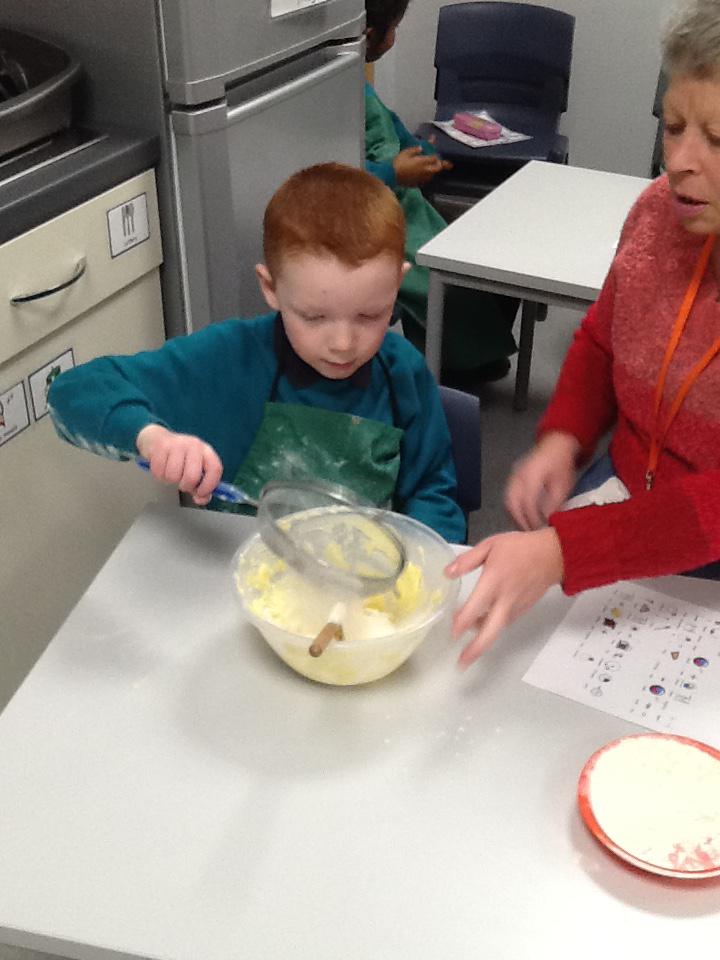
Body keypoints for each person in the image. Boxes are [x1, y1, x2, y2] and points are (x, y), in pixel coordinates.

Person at [447, 0, 720, 666]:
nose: (679, 160)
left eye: (717, 138)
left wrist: (564, 552)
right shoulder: (656, 216)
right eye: (673, 126)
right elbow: (603, 340)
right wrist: (564, 438)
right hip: (626, 486)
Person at [48, 163, 466, 544]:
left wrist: (420, 560)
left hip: (366, 583)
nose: (343, 343)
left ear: (397, 284)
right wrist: (152, 438)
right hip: (242, 572)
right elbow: (74, 390)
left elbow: (432, 491)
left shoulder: (402, 373)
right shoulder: (229, 359)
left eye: (370, 315)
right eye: (314, 317)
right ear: (270, 288)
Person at [364, 0, 518, 383]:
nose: (394, 37)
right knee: (441, 280)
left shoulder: (360, 88)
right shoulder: (330, 95)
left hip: (406, 207)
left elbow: (392, 129)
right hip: (374, 219)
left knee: (472, 260)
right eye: (394, 27)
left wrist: (422, 151)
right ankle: (458, 363)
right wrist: (393, 173)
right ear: (370, 35)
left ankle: (467, 355)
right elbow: (334, 175)